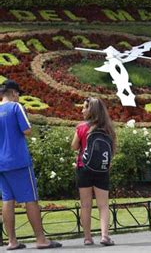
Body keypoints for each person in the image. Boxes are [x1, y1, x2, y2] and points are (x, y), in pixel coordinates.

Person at [0, 80, 62, 250]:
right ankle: (41, 239)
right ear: (13, 93)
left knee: (7, 200)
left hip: (1, 163)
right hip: (18, 160)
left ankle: (11, 241)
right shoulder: (15, 107)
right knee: (30, 199)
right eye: (18, 93)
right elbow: (26, 130)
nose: (19, 96)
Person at [71, 97, 116, 246]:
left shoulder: (82, 127)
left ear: (91, 110)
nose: (82, 110)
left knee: (85, 205)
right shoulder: (108, 129)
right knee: (103, 205)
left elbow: (74, 146)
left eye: (84, 107)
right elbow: (112, 151)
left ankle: (88, 238)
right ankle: (105, 236)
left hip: (83, 167)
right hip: (102, 169)